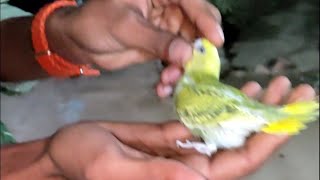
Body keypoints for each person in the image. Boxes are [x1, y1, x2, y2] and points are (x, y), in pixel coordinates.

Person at [0, 0, 316, 179]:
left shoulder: (191, 93)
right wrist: (45, 165)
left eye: (200, 51)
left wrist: (60, 36)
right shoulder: (192, 93)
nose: (193, 49)